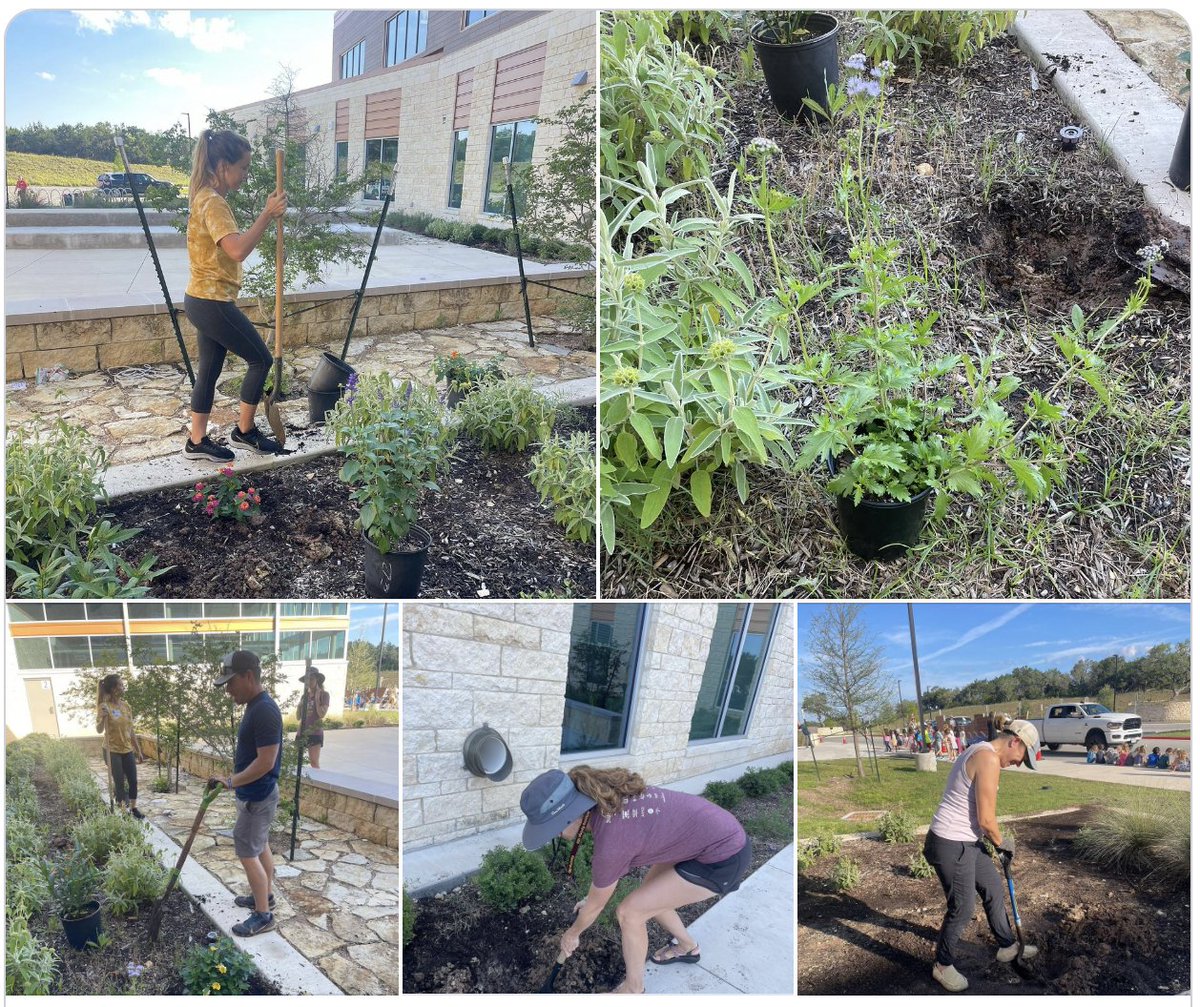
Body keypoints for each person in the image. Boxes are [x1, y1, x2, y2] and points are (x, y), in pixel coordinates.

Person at [520, 766, 751, 995]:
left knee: (630, 913)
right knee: (650, 897)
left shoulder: (611, 840)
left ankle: (633, 990)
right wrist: (591, 900)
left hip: (722, 857)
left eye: (553, 828)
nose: (555, 835)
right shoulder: (606, 800)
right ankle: (688, 948)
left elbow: (598, 902)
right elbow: (612, 873)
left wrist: (572, 934)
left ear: (570, 814)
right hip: (710, 836)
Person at [183, 129, 287, 463]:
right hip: (211, 302)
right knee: (261, 359)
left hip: (201, 299)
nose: (245, 175)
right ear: (224, 165)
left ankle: (196, 441)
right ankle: (244, 432)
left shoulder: (204, 196)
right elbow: (238, 250)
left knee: (209, 371)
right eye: (243, 168)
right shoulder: (213, 202)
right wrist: (268, 214)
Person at [923, 717, 1040, 992]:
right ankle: (942, 965)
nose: (1021, 763)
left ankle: (1007, 946)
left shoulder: (981, 750)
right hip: (951, 842)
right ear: (1015, 741)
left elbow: (981, 819)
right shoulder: (986, 758)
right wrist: (1003, 844)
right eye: (1023, 756)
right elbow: (987, 820)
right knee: (962, 908)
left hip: (968, 841)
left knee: (993, 889)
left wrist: (996, 843)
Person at [209, 650, 282, 937]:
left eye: (230, 683)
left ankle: (263, 915)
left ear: (248, 676)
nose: (228, 690)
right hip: (258, 794)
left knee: (247, 850)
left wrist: (231, 782)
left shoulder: (263, 709)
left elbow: (266, 761)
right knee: (259, 844)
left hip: (257, 795)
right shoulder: (257, 705)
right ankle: (265, 896)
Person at [96, 674, 145, 819]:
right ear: (113, 688)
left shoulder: (126, 706)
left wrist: (138, 750)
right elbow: (99, 730)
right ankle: (123, 811)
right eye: (120, 685)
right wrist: (103, 717)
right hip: (112, 750)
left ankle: (134, 808)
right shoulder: (104, 706)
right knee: (119, 781)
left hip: (127, 749)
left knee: (133, 780)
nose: (123, 687)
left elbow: (131, 730)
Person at [296, 668, 330, 769]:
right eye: (307, 679)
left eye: (311, 679)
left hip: (315, 732)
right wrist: (299, 705)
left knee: (314, 762)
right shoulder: (304, 696)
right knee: (297, 761)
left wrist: (316, 699)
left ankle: (315, 783)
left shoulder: (324, 695)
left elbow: (321, 714)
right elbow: (298, 717)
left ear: (317, 680)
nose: (309, 682)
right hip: (302, 732)